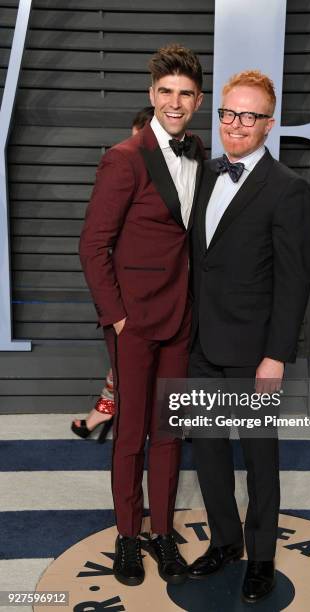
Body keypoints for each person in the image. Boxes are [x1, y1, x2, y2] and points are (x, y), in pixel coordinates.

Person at [79, 45, 204, 586]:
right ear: (152, 95)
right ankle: (128, 539)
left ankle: (161, 536)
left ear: (196, 101)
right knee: (131, 434)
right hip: (133, 324)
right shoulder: (124, 157)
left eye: (185, 94)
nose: (175, 102)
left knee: (170, 435)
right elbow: (92, 245)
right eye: (166, 92)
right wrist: (118, 318)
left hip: (181, 318)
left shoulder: (198, 153)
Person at [187, 70, 310, 604]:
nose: (235, 125)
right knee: (209, 452)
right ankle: (224, 542)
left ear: (269, 123)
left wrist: (275, 357)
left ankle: (261, 557)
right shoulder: (204, 173)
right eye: (227, 113)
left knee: (260, 460)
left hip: (253, 352)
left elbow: (294, 280)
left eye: (249, 116)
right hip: (198, 343)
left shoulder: (288, 189)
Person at [71, 107, 154, 443]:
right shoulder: (120, 168)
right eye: (134, 138)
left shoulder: (183, 172)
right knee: (129, 359)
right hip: (127, 288)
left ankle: (119, 410)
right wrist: (115, 314)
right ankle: (111, 407)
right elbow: (94, 243)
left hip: (173, 288)